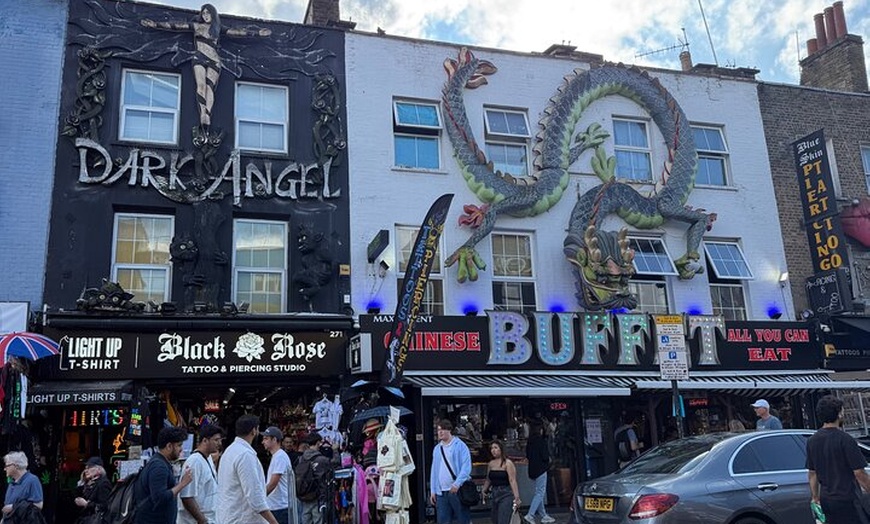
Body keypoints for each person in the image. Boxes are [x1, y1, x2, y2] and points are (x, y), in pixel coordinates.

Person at [140, 4, 270, 129]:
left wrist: (257, 33)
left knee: (210, 87)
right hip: (199, 57)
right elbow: (177, 26)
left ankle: (208, 113)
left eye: (208, 13)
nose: (206, 15)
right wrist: (155, 24)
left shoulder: (218, 29)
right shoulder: (197, 26)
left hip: (214, 60)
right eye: (204, 13)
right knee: (201, 85)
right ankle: (203, 113)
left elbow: (237, 32)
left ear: (213, 14)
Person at [807, 395, 870, 523]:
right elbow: (859, 473)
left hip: (826, 500)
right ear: (839, 414)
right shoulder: (845, 439)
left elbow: (812, 473)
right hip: (848, 499)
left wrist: (815, 497)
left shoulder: (812, 441)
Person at [216, 415, 278, 524]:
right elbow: (255, 497)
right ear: (254, 431)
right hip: (242, 519)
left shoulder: (230, 451)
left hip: (229, 516)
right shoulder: (245, 455)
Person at [134, 426, 194, 524]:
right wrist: (182, 484)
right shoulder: (159, 467)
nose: (181, 449)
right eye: (179, 445)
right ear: (169, 446)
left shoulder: (161, 463)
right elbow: (160, 498)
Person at [178, 425, 224, 524]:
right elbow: (187, 496)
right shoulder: (194, 461)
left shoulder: (208, 459)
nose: (219, 443)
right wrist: (202, 520)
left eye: (220, 440)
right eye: (216, 440)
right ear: (205, 440)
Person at [429, 419, 472, 524]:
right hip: (441, 492)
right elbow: (434, 470)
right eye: (438, 430)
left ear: (449, 430)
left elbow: (466, 467)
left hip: (457, 490)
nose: (440, 432)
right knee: (443, 520)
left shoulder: (460, 446)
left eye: (443, 429)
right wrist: (433, 490)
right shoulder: (437, 449)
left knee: (463, 519)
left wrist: (457, 484)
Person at [297, 433, 334, 524]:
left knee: (305, 520)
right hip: (317, 496)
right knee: (318, 520)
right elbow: (334, 464)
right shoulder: (322, 460)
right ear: (317, 443)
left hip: (304, 496)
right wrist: (335, 451)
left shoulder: (301, 459)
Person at [262, 426, 296, 524]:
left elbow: (273, 483)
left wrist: (260, 497)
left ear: (275, 440)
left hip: (279, 506)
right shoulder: (277, 456)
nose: (263, 442)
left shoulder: (280, 457)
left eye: (266, 439)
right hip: (276, 505)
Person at [482, 440, 521, 524]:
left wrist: (516, 497)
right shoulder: (491, 464)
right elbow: (488, 479)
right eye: (492, 448)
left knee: (503, 519)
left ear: (501, 449)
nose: (493, 450)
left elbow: (512, 480)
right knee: (495, 519)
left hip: (506, 493)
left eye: (496, 448)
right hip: (494, 492)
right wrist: (484, 490)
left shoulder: (508, 463)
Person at [525, 422, 553, 524]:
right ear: (540, 430)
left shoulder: (529, 442)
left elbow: (527, 455)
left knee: (538, 492)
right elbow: (545, 456)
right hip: (541, 469)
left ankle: (544, 515)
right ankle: (530, 515)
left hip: (532, 469)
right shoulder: (541, 441)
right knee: (540, 493)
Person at [2, 451, 43, 518]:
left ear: (16, 466)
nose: (4, 469)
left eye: (7, 465)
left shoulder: (32, 480)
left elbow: (38, 505)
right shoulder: (12, 483)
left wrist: (13, 507)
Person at [74, 457, 111, 523]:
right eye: (85, 468)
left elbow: (105, 506)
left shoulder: (103, 483)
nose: (86, 470)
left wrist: (86, 504)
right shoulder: (89, 483)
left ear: (98, 469)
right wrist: (81, 483)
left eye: (89, 467)